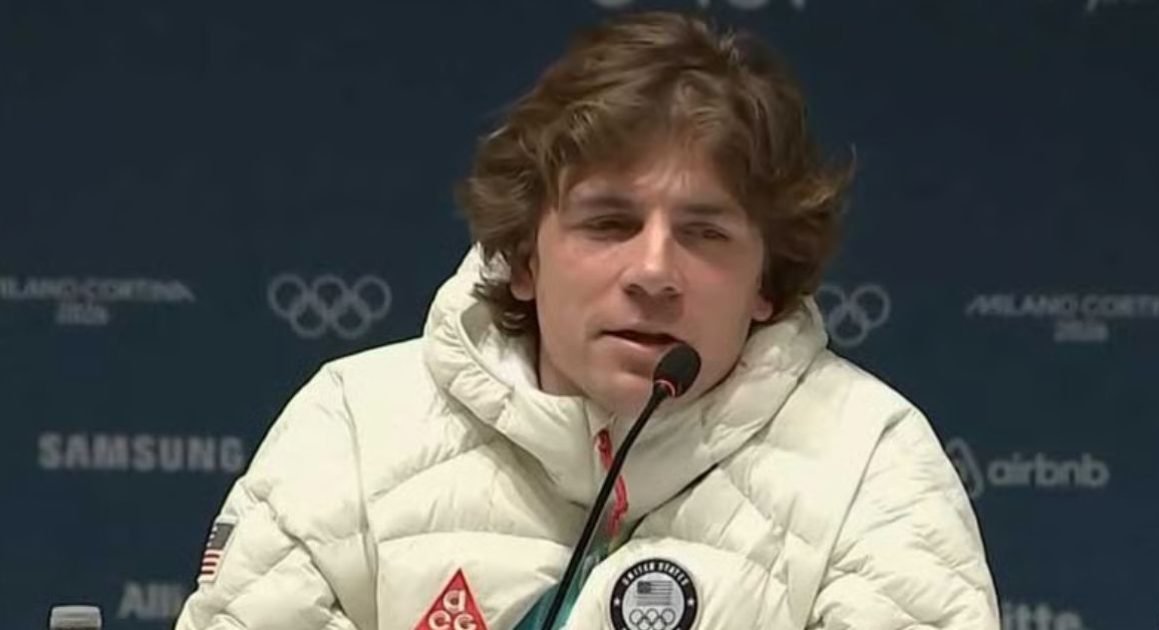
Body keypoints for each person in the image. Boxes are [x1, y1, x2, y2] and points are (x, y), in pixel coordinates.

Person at [175, 11, 999, 630]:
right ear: (524, 258)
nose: (653, 272)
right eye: (609, 224)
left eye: (705, 234)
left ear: (767, 282)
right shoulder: (354, 426)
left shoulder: (867, 460)